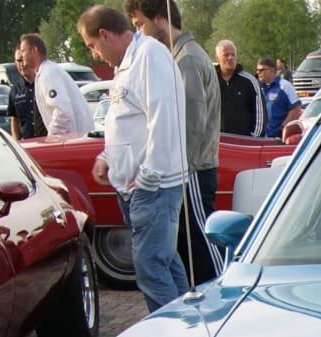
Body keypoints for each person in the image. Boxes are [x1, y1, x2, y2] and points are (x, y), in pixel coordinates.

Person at [78, 4, 188, 313]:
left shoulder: (148, 56)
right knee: (163, 261)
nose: (95, 54)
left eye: (92, 46)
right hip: (138, 186)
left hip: (152, 186)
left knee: (151, 268)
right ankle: (187, 324)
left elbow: (163, 115)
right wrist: (107, 155)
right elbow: (126, 119)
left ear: (105, 34)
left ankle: (174, 334)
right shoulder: (128, 63)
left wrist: (149, 174)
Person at [124, 0, 221, 287]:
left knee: (201, 255)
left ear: (160, 18)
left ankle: (219, 310)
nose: (139, 33)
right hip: (188, 171)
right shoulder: (178, 56)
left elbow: (189, 124)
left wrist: (176, 174)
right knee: (188, 257)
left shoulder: (186, 59)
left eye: (141, 24)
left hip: (190, 171)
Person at [20, 32, 93, 135]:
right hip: (73, 139)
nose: (21, 55)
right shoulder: (46, 72)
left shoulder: (48, 73)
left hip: (72, 141)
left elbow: (62, 110)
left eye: (23, 51)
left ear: (34, 50)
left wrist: (53, 138)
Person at [215, 39, 263, 136]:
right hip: (217, 143)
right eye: (226, 55)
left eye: (233, 55)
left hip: (243, 143)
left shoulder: (249, 81)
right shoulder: (211, 80)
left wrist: (253, 138)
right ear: (217, 58)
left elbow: (260, 116)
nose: (230, 58)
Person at [255, 57, 298, 139]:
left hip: (278, 138)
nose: (258, 73)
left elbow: (296, 108)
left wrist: (283, 127)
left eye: (261, 70)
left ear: (271, 70)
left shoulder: (284, 86)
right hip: (261, 137)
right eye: (257, 70)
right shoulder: (258, 87)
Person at [7, 46, 41, 138]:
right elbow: (14, 119)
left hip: (46, 142)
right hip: (27, 144)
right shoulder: (15, 90)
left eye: (24, 60)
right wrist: (16, 142)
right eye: (18, 61)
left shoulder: (44, 84)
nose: (22, 64)